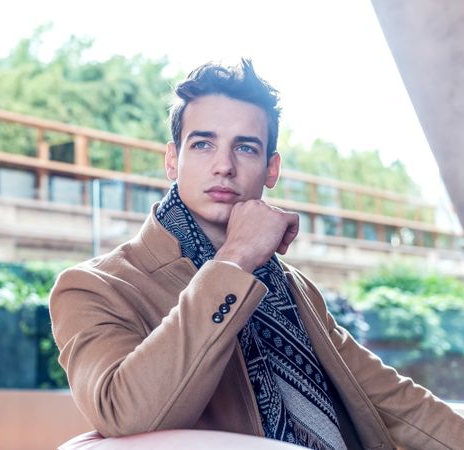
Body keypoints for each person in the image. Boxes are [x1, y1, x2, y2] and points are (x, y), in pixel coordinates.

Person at [49, 60, 464, 450]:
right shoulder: (92, 287)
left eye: (245, 148)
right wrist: (235, 261)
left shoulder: (291, 286)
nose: (223, 166)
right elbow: (127, 414)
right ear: (173, 160)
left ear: (271, 169)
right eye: (203, 145)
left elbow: (391, 399)